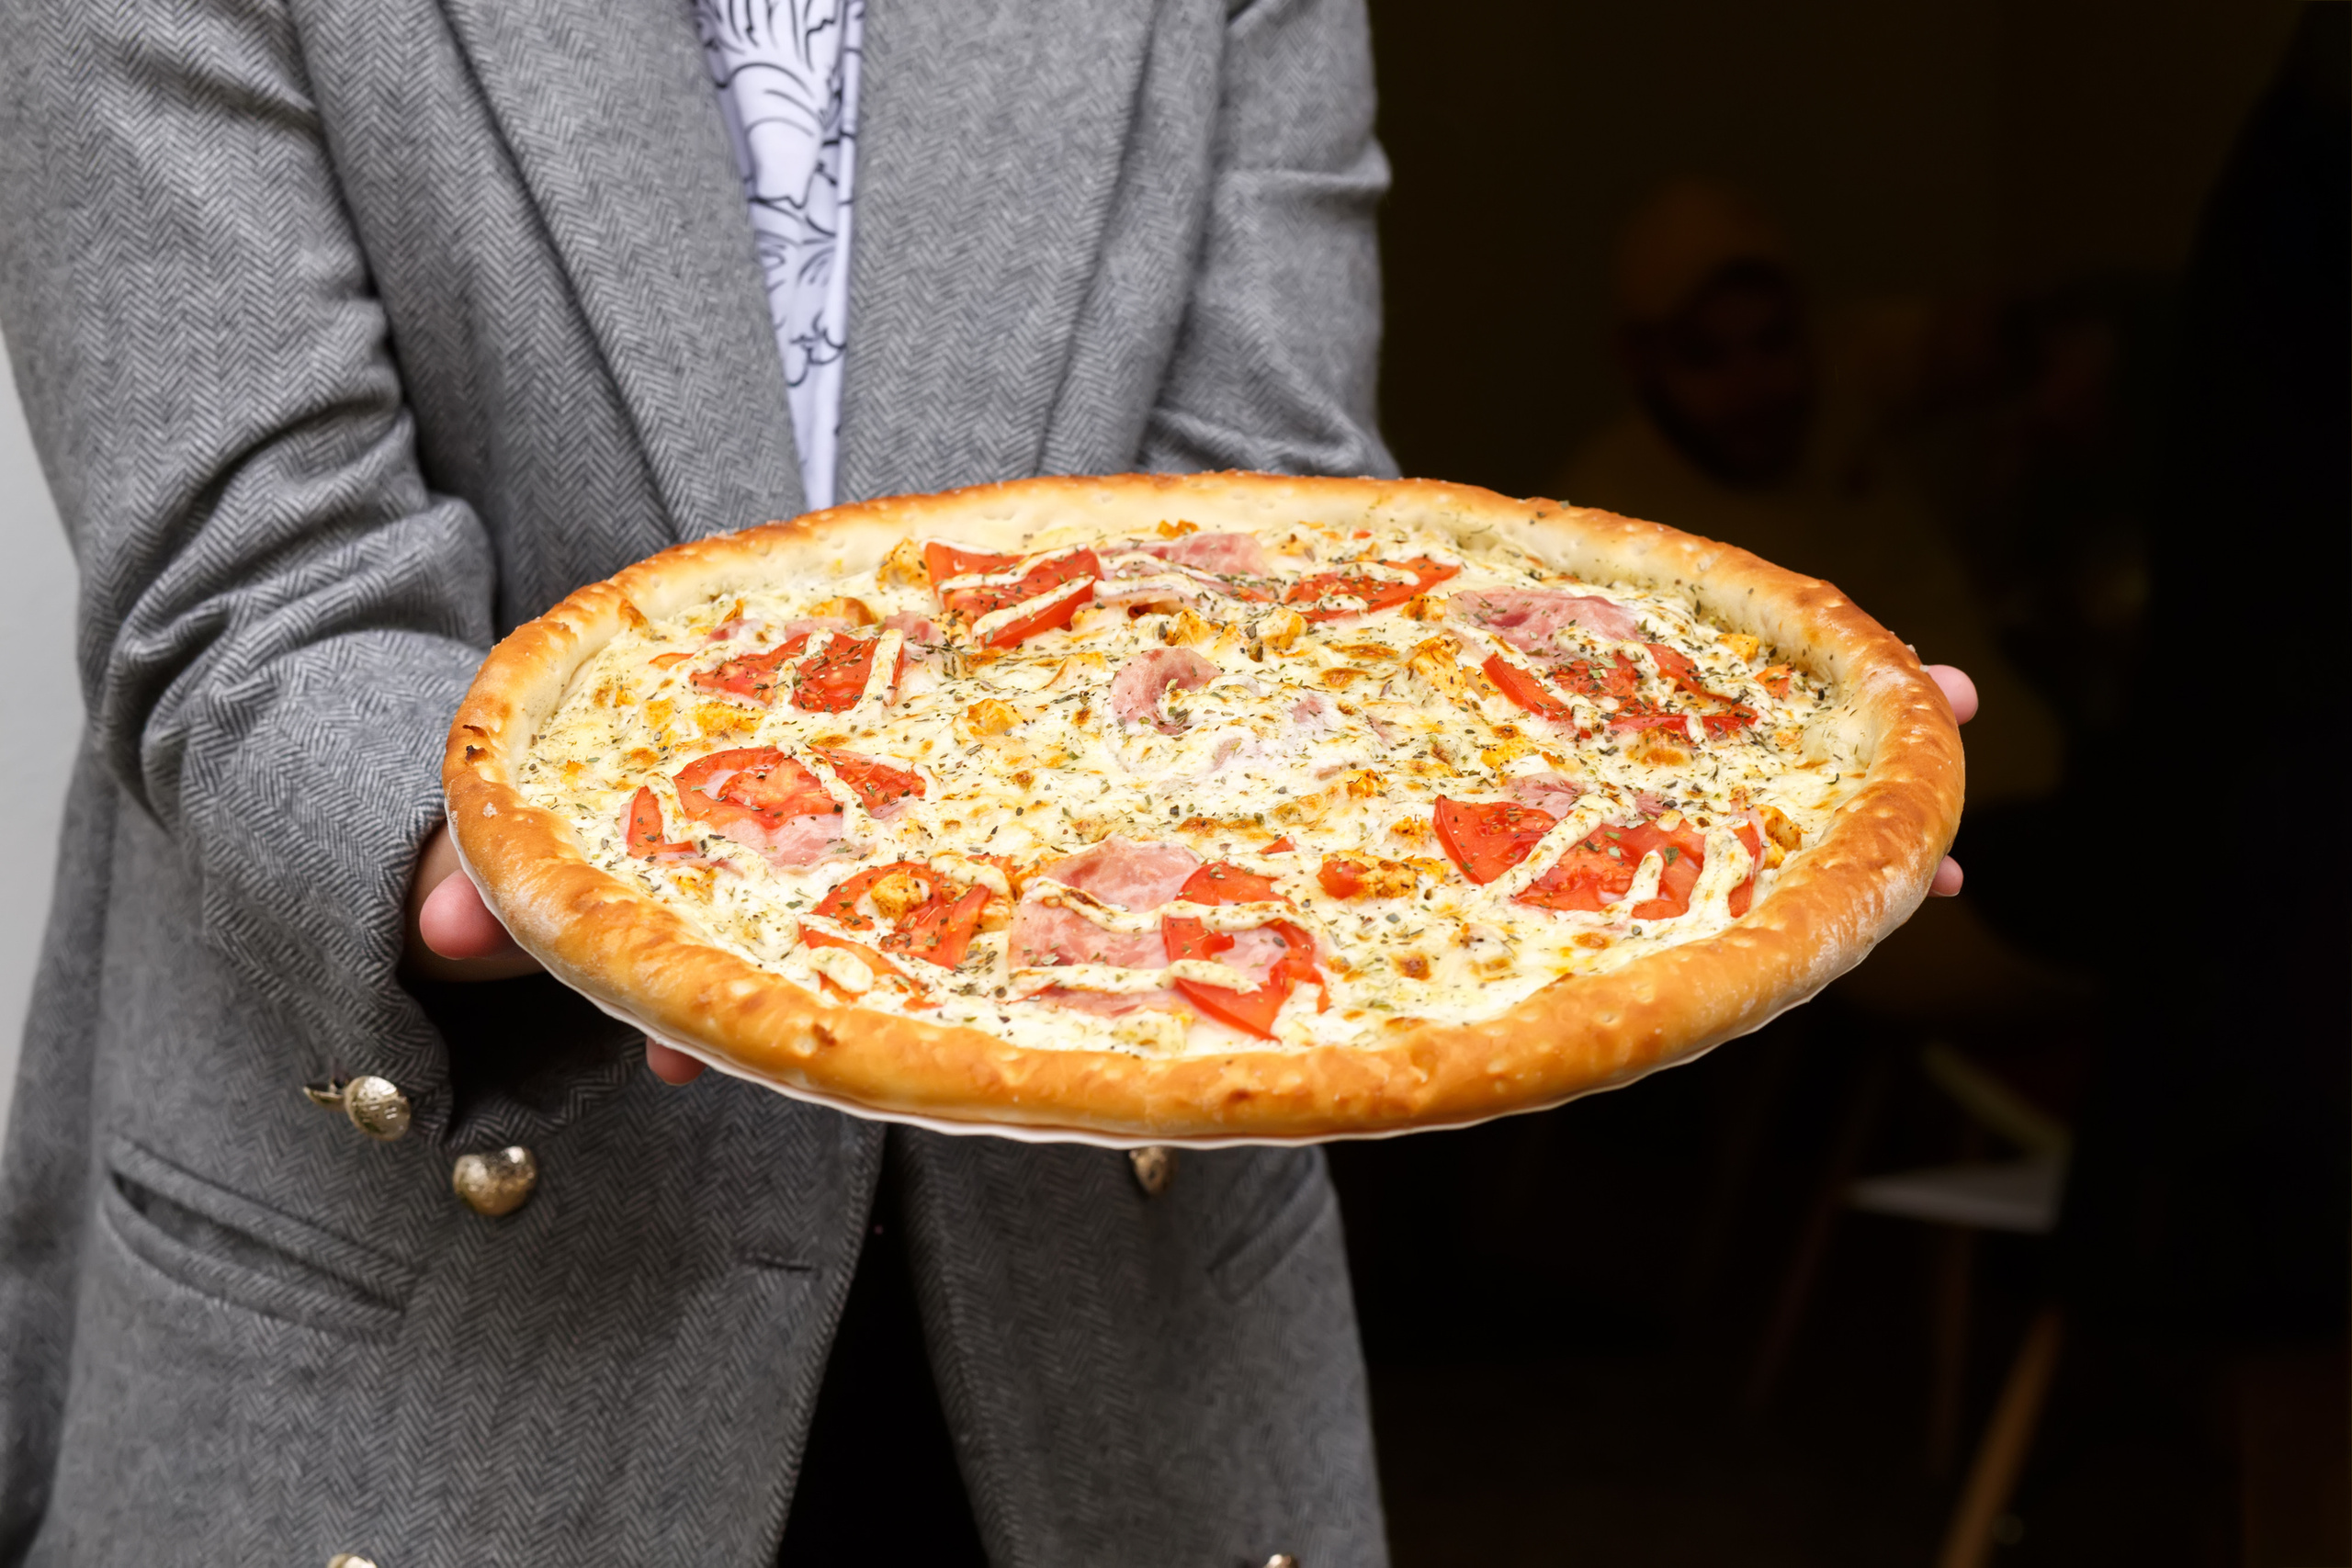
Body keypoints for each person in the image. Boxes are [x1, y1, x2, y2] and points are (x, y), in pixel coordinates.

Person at [0, 6, 1976, 1562]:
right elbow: (262, 579)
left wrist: (1661, 791)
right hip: (450, 1320)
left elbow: (1270, 529)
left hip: (1114, 1332)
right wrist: (500, 854)